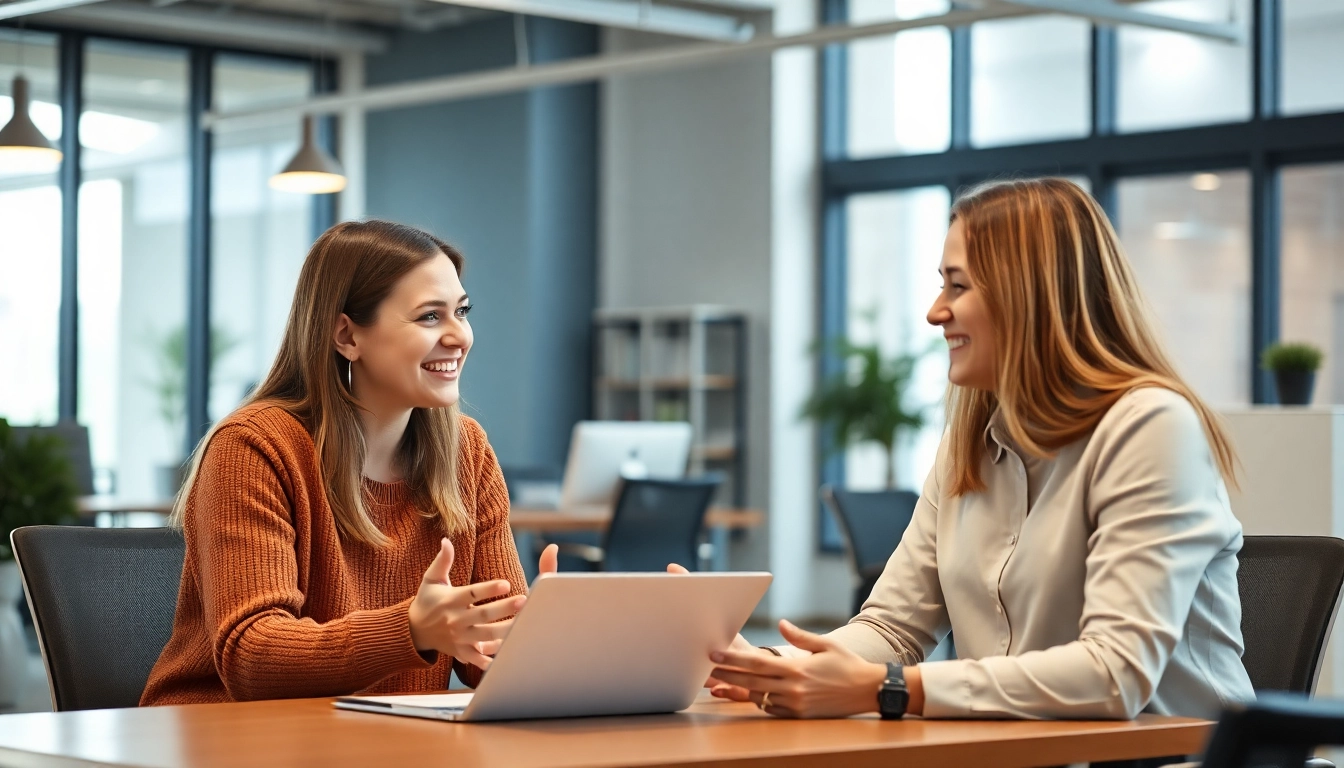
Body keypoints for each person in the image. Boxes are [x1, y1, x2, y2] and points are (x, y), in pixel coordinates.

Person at [707, 178, 1255, 721]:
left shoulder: (1150, 426)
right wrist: (766, 665)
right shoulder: (968, 446)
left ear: (1029, 293)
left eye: (957, 286)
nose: (935, 312)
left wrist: (891, 689)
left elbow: (1114, 674)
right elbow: (891, 628)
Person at [141, 220, 557, 705]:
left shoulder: (467, 454)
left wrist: (542, 637)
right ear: (347, 335)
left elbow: (484, 660)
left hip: (385, 738)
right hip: (229, 738)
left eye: (461, 312)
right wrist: (412, 628)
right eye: (429, 317)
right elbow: (254, 658)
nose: (459, 336)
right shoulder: (254, 448)